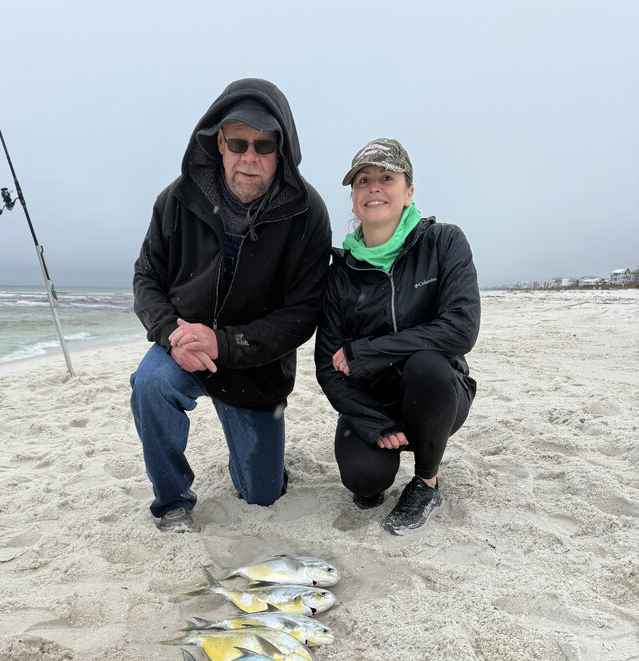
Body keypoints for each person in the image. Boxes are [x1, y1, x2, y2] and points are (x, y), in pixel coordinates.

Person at [131, 78, 331, 532]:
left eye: (264, 145)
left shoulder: (309, 213)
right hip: (184, 348)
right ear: (219, 143)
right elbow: (146, 278)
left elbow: (303, 314)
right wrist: (170, 334)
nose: (249, 157)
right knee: (150, 383)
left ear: (281, 150)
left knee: (263, 495)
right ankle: (172, 502)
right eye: (238, 143)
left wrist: (224, 343)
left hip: (256, 367)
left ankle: (259, 461)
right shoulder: (176, 199)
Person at [315, 138, 480, 534]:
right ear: (354, 200)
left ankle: (426, 483)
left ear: (408, 192)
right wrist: (373, 423)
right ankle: (377, 466)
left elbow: (461, 328)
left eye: (387, 178)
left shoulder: (444, 242)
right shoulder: (340, 273)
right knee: (364, 480)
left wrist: (370, 351)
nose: (374, 187)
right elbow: (327, 366)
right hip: (372, 399)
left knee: (426, 364)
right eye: (363, 180)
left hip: (437, 393)